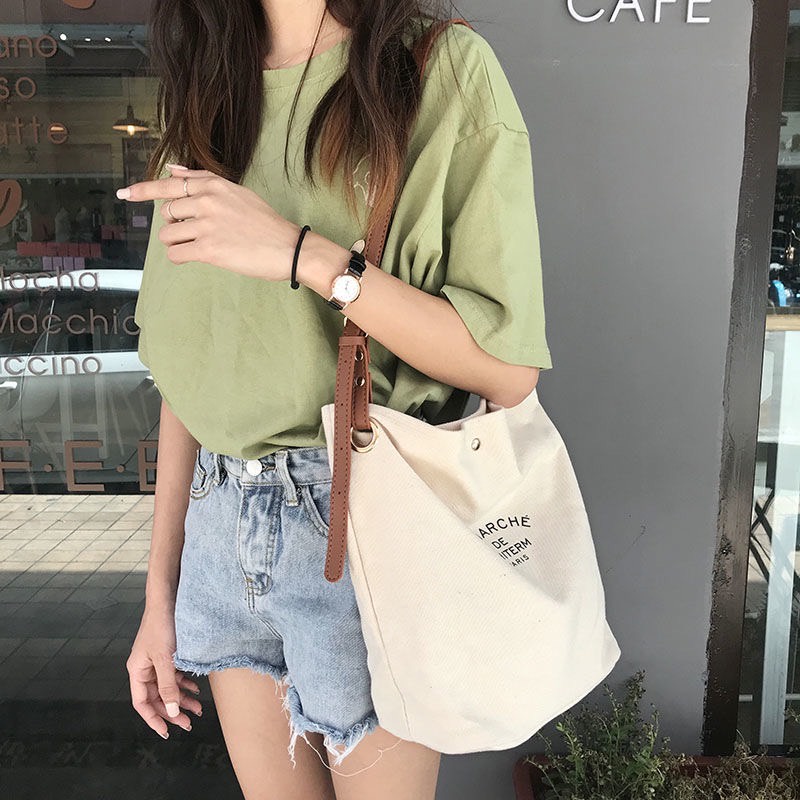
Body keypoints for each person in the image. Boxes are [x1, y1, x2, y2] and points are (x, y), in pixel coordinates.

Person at [121, 1, 553, 798]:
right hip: (220, 519)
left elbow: (506, 368)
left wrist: (303, 255)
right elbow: (191, 372)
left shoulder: (436, 69)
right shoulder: (211, 89)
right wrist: (160, 593)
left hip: (363, 518)